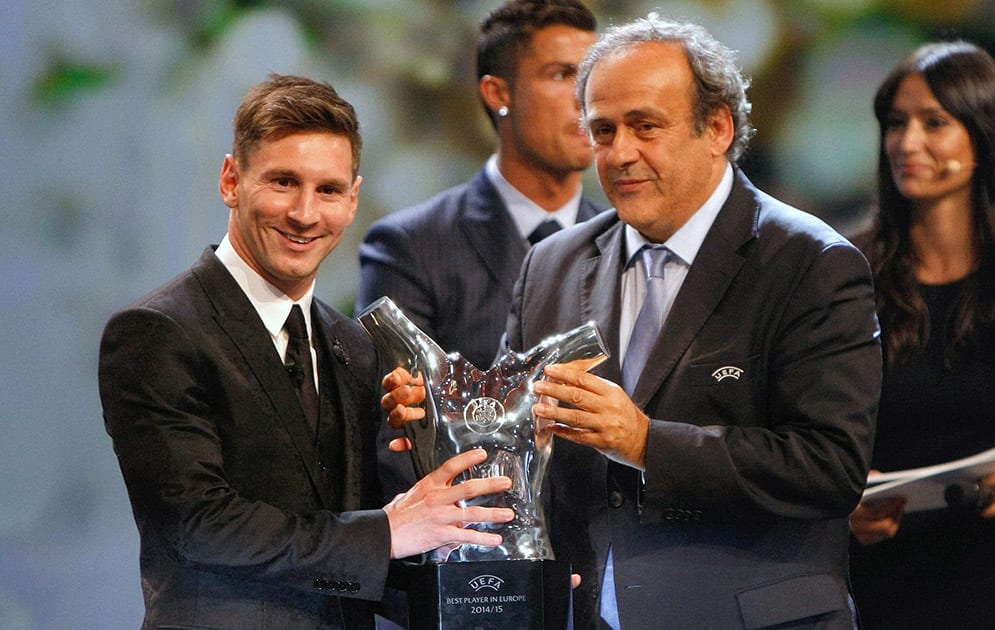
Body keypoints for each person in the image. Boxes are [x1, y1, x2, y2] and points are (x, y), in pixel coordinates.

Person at [383, 14, 882, 629]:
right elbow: (520, 450)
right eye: (602, 130)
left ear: (718, 127)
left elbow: (829, 467)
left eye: (646, 127)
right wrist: (450, 421)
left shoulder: (812, 262)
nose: (619, 153)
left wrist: (646, 442)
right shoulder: (552, 264)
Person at [98, 74, 515, 630]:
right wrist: (386, 531)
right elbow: (199, 525)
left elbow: (365, 543)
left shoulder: (355, 347)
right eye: (283, 182)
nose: (304, 214)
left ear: (353, 199)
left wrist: (510, 582)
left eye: (328, 190)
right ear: (230, 180)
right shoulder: (156, 332)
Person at [355, 0, 604, 372]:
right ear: (498, 93)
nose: (587, 97)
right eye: (561, 75)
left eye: (593, 76)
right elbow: (398, 418)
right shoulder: (411, 246)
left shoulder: (627, 240)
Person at [847, 41, 995, 629]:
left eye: (935, 123)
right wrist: (843, 507)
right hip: (882, 583)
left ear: (983, 136)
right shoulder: (843, 273)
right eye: (895, 123)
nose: (907, 143)